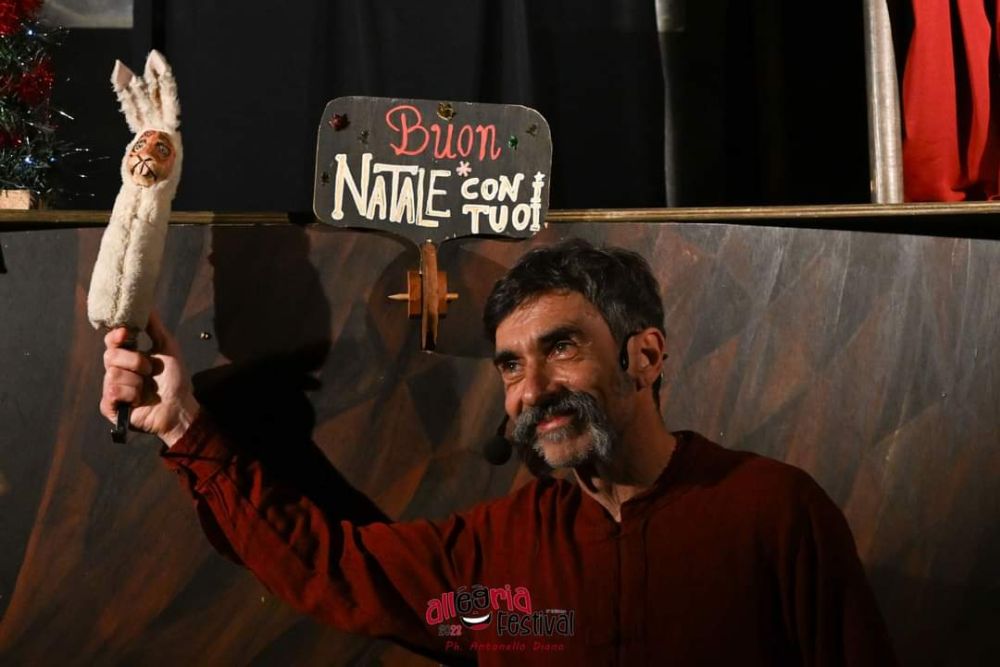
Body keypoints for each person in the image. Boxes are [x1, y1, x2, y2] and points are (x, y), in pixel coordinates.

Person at [100, 238, 897, 666]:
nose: (532, 389)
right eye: (511, 366)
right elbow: (333, 566)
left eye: (562, 348)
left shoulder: (774, 511)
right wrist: (183, 426)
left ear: (645, 356)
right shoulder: (494, 558)